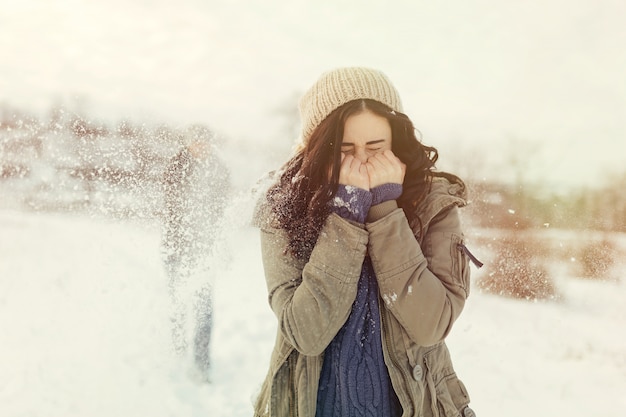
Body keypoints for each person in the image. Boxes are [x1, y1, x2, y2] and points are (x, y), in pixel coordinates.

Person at [252, 67, 479, 416]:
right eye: (344, 149)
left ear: (397, 141)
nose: (361, 160)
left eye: (376, 147)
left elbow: (431, 324)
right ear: (319, 149)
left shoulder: (434, 203)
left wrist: (386, 211)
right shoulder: (285, 209)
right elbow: (306, 333)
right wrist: (346, 215)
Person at [161, 124, 230, 382]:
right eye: (196, 141)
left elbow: (223, 210)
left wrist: (219, 244)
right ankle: (176, 351)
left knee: (204, 310)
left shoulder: (219, 170)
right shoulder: (176, 166)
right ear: (188, 142)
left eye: (205, 141)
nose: (200, 146)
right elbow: (172, 207)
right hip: (177, 249)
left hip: (203, 252)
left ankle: (201, 365)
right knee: (177, 303)